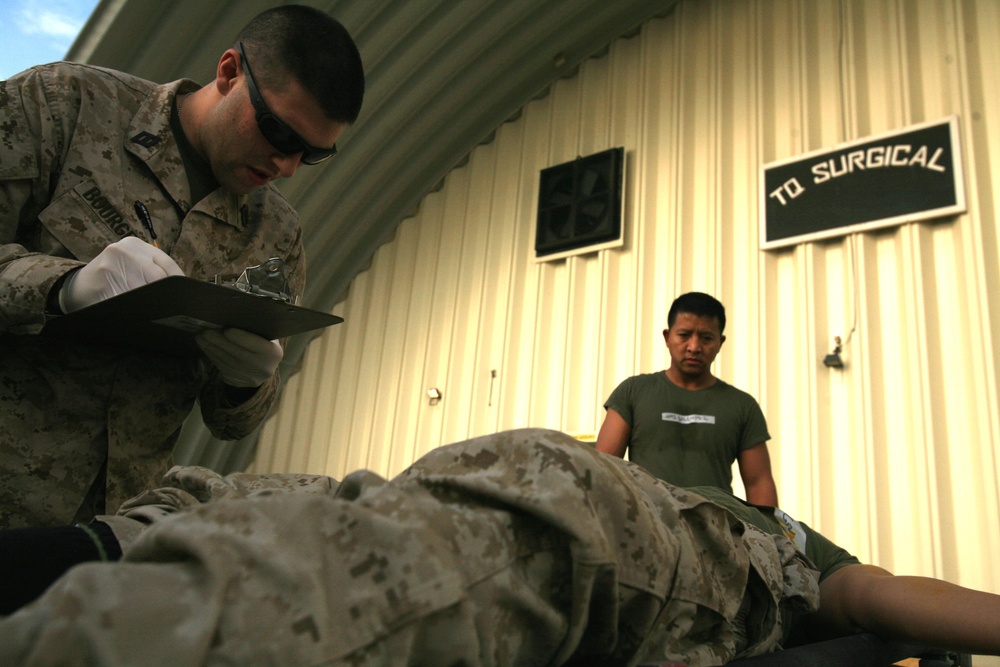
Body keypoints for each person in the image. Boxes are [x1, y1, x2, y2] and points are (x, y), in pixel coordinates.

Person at [0, 429, 996, 666]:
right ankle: (106, 565)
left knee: (373, 528)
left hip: (580, 500)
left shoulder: (781, 549)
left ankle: (96, 605)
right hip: (582, 499)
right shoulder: (762, 535)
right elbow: (888, 593)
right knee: (345, 518)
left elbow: (884, 595)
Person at [0, 5, 365, 529]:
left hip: (113, 538)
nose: (285, 166)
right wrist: (60, 287)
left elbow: (231, 423)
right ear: (229, 72)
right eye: (280, 135)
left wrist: (247, 383)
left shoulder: (275, 236)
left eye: (311, 155)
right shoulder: (63, 106)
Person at [596, 292, 779, 506]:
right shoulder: (633, 392)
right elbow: (604, 469)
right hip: (645, 528)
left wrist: (770, 537)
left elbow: (759, 483)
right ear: (667, 337)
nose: (694, 347)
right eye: (684, 335)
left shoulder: (742, 405)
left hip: (715, 530)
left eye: (706, 338)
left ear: (720, 342)